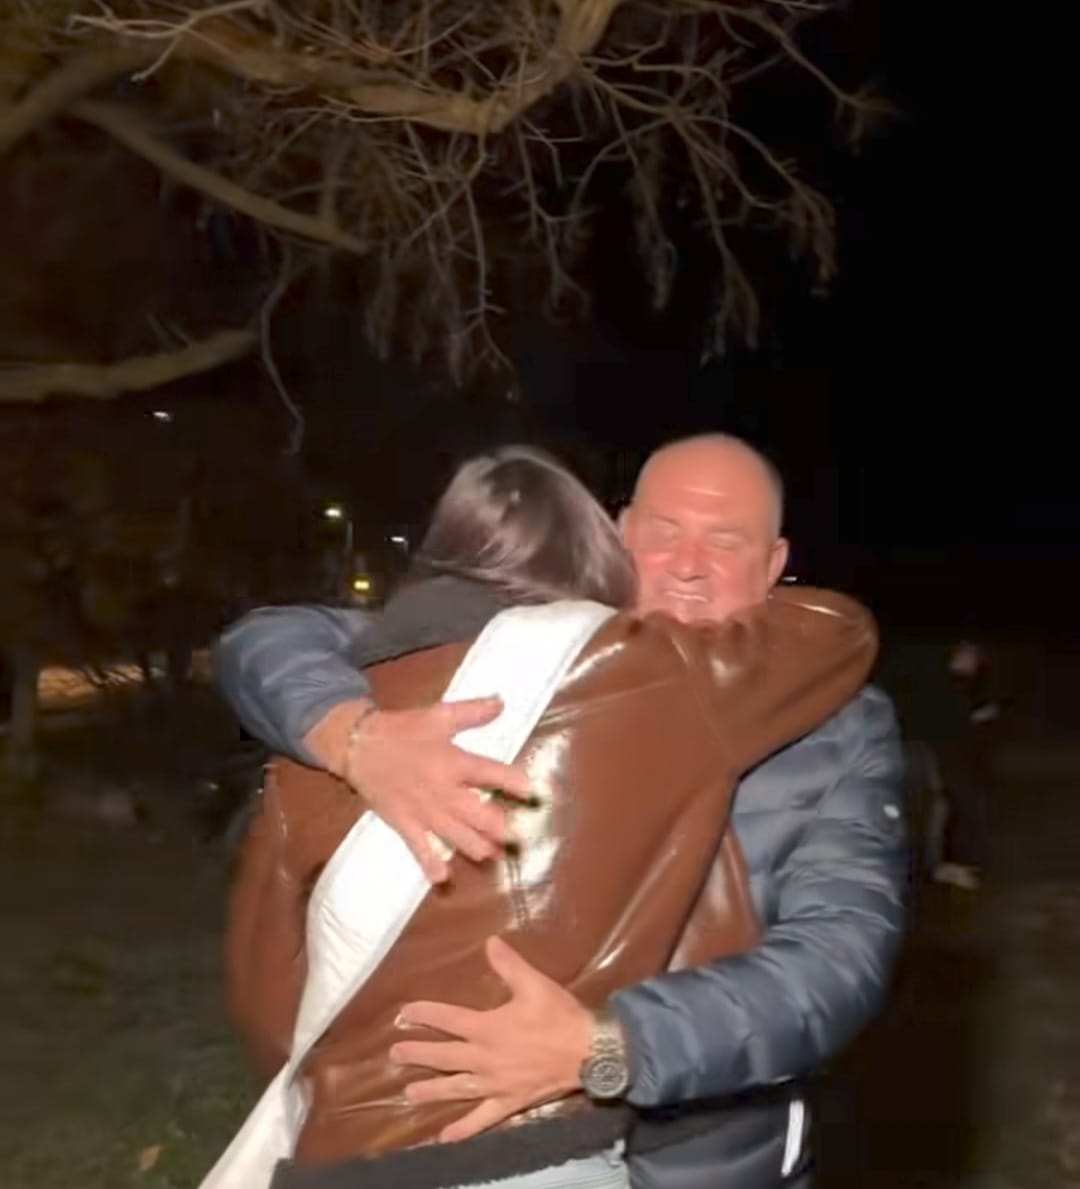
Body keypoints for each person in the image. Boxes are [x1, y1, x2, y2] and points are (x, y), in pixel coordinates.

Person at [214, 434, 907, 1189]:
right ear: (620, 534)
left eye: (725, 541)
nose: (688, 564)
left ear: (773, 565)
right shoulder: (520, 655)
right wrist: (354, 734)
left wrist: (609, 1047)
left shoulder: (838, 719)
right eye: (665, 532)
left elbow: (838, 960)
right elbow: (279, 636)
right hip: (490, 1145)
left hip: (706, 1146)